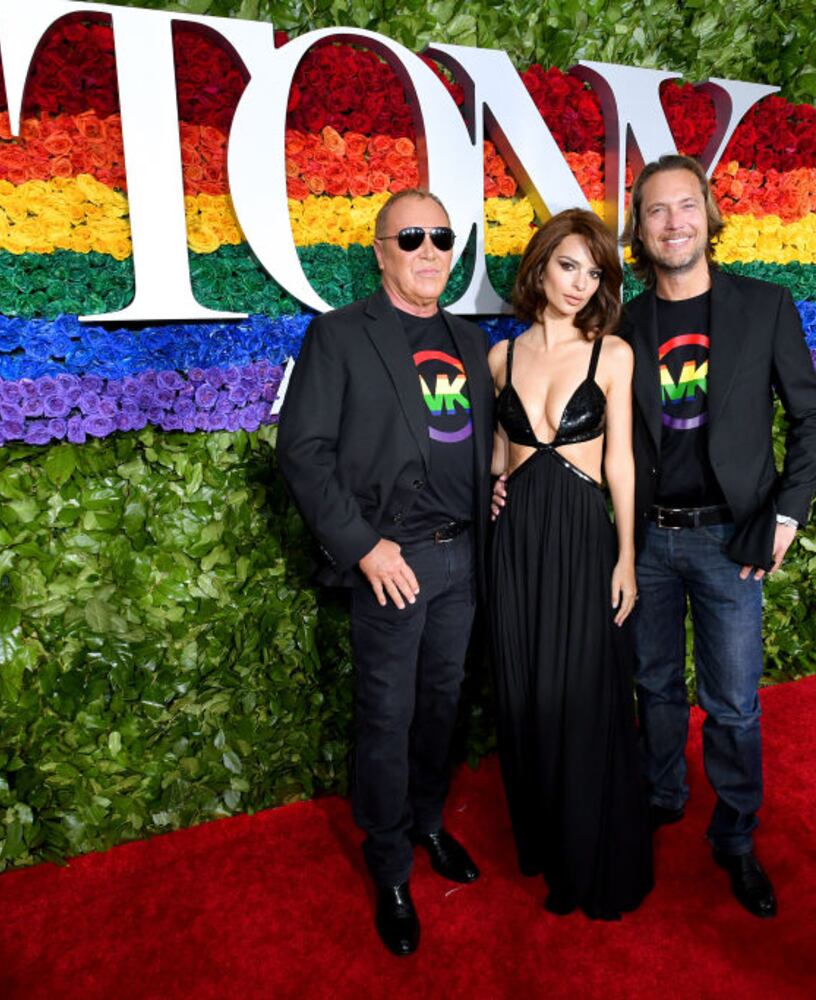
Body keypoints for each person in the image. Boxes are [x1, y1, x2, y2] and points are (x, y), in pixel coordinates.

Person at [277, 189, 494, 956]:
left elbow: (470, 440)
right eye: (412, 237)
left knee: (442, 707)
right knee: (386, 719)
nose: (430, 249)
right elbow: (301, 452)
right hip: (391, 562)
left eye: (442, 237)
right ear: (380, 251)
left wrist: (491, 482)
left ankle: (430, 823)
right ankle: (390, 865)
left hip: (462, 554)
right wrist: (364, 546)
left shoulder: (469, 341)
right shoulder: (339, 336)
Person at [620, 154, 816, 919]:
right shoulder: (624, 320)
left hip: (730, 539)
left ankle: (735, 837)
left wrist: (784, 515)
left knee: (733, 704)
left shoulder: (764, 306)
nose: (672, 221)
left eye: (684, 206)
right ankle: (662, 797)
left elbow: (809, 415)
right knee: (653, 686)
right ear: (638, 231)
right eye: (654, 210)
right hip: (645, 538)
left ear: (708, 215)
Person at [486, 207, 654, 920]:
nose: (581, 283)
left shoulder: (611, 354)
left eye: (594, 272)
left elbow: (619, 462)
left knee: (583, 697)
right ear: (540, 265)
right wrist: (493, 484)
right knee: (525, 697)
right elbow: (500, 455)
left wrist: (625, 557)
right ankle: (550, 845)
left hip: (587, 538)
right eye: (568, 265)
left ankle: (593, 857)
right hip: (516, 541)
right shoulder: (499, 357)